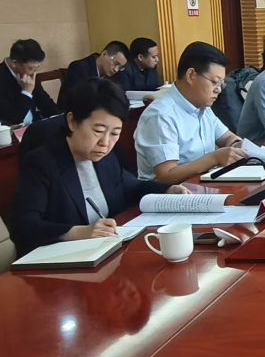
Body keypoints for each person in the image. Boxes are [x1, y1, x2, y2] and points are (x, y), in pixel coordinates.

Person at [10, 78, 188, 257]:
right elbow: (24, 226)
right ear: (72, 121)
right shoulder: (42, 163)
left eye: (115, 133)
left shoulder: (104, 157)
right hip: (62, 261)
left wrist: (167, 190)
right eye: (98, 131)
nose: (106, 142)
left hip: (108, 252)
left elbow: (131, 187)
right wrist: (79, 232)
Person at [134, 42, 246, 183]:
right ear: (191, 75)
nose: (218, 90)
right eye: (214, 82)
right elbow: (166, 175)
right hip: (171, 193)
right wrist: (214, 158)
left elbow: (226, 137)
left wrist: (237, 146)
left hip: (203, 186)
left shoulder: (202, 107)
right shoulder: (160, 115)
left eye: (221, 84)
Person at [1, 39, 61, 126]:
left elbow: (45, 102)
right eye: (31, 68)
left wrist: (61, 118)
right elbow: (13, 119)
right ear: (15, 63)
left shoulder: (29, 72)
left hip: (33, 125)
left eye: (38, 67)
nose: (35, 72)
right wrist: (26, 92)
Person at [59, 41, 129, 109]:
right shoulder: (79, 67)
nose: (116, 70)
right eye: (115, 63)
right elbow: (75, 101)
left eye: (120, 67)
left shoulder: (114, 75)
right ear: (104, 54)